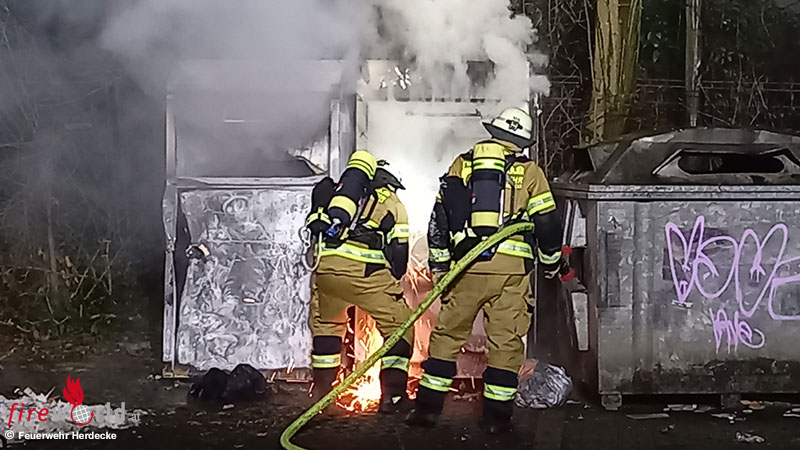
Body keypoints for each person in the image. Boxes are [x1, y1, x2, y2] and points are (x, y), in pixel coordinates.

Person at [406, 104, 568, 433]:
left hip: (466, 268)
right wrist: (551, 263)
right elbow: (548, 223)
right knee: (506, 345)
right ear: (521, 142)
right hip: (510, 273)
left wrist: (441, 267)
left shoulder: (462, 164)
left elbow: (439, 219)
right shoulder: (531, 172)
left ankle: (426, 412)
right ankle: (496, 420)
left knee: (447, 338)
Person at [305, 150, 413, 413]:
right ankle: (393, 398)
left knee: (327, 326)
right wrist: (393, 279)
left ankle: (322, 398)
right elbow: (399, 249)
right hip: (366, 274)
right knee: (399, 327)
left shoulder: (337, 194)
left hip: (327, 271)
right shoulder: (390, 200)